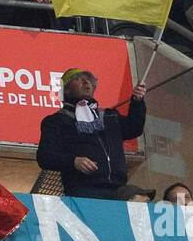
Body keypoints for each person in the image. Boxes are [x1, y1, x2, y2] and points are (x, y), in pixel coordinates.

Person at [36, 67, 147, 200]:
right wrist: (73, 161)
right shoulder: (56, 121)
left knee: (142, 197)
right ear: (66, 89)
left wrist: (137, 101)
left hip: (117, 189)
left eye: (89, 80)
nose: (86, 82)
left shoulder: (109, 116)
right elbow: (45, 157)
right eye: (78, 79)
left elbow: (134, 128)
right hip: (83, 191)